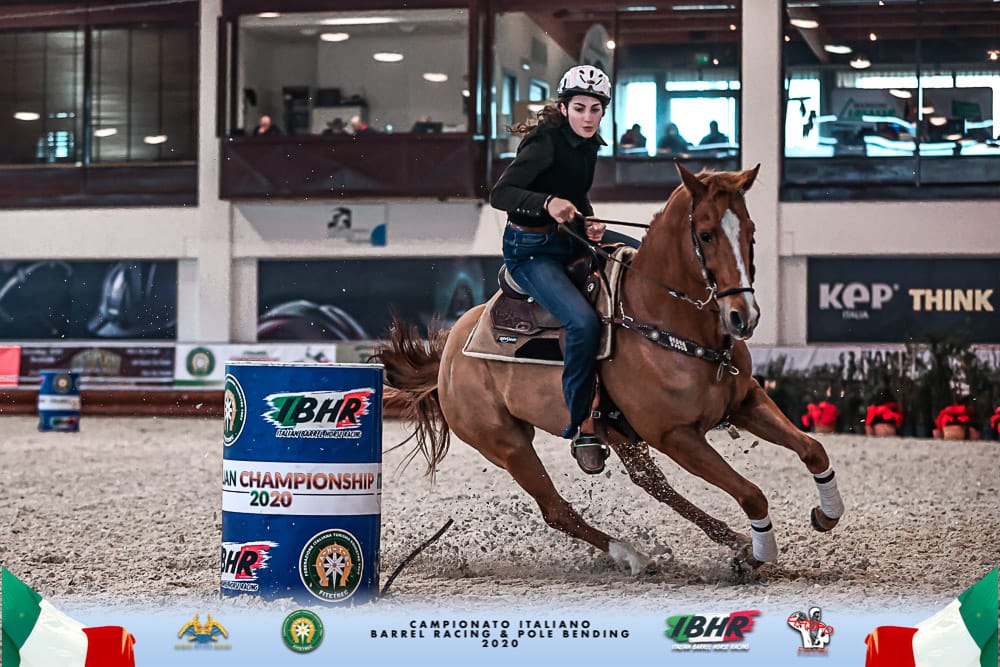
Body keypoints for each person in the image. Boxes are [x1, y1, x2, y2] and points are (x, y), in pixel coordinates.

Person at [489, 65, 641, 476]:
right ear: (563, 107)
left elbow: (575, 192)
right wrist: (548, 203)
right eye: (579, 108)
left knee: (642, 258)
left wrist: (586, 218)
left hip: (567, 236)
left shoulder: (588, 143)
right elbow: (499, 194)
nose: (588, 116)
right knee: (581, 322)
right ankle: (581, 424)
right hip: (530, 251)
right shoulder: (543, 141)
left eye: (595, 109)